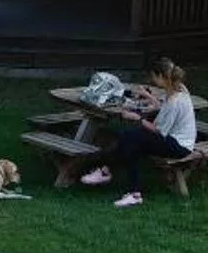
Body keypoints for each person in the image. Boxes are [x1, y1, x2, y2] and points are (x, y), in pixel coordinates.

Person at [81, 56, 196, 209]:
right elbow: (164, 107)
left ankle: (107, 172)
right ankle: (131, 191)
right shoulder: (179, 89)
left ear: (161, 76)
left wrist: (137, 118)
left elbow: (158, 130)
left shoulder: (175, 101)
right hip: (175, 139)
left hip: (179, 146)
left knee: (131, 137)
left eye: (154, 77)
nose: (153, 80)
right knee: (132, 143)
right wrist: (149, 97)